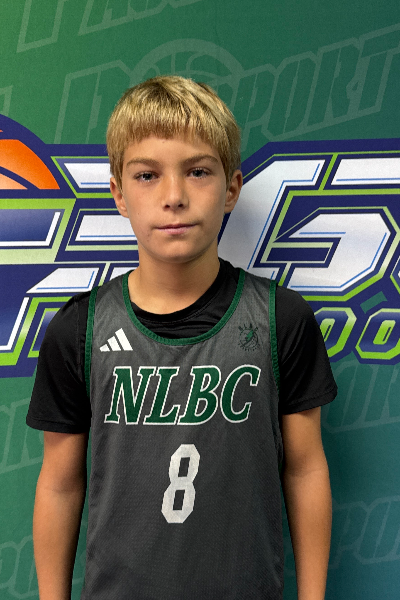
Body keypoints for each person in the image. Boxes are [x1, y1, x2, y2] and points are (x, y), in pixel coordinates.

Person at [27, 75, 337, 600]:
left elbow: (305, 469)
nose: (173, 197)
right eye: (147, 175)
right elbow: (59, 483)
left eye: (197, 171)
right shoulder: (78, 329)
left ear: (231, 188)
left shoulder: (280, 318)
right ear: (119, 194)